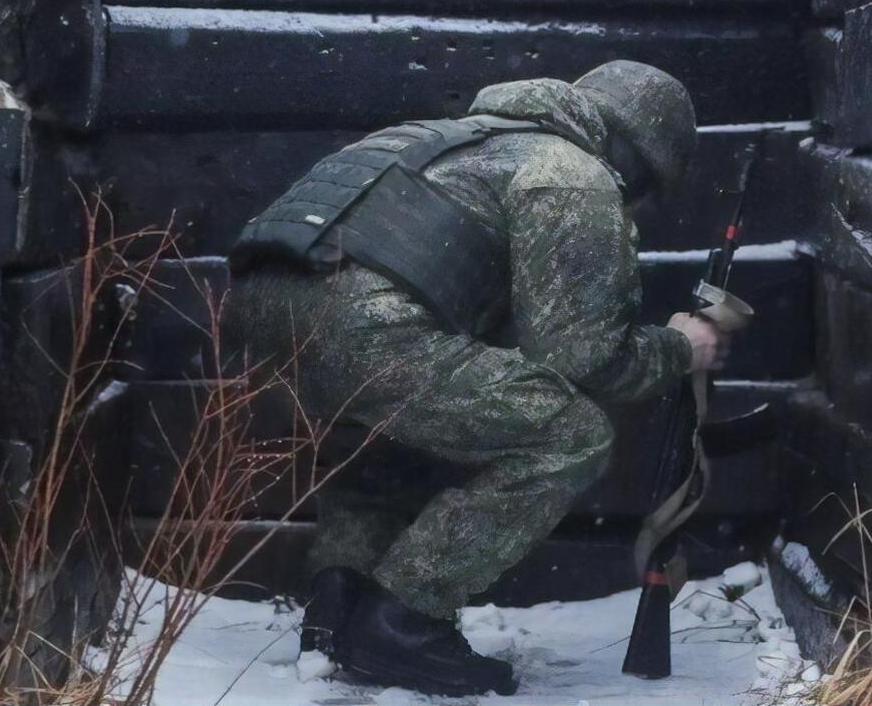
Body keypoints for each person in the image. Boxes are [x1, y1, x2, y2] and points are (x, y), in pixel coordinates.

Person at [224, 61, 730, 696]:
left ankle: (339, 603)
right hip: (364, 323)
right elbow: (584, 357)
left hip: (262, 314)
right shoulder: (568, 173)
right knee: (565, 435)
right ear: (636, 152)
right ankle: (403, 620)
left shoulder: (446, 139)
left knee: (414, 426)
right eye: (645, 186)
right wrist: (682, 348)